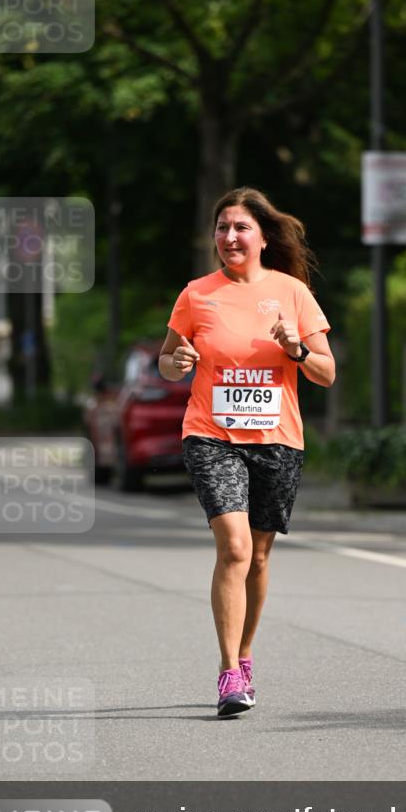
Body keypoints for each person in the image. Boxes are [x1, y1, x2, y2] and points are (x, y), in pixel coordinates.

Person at [159, 187, 335, 717]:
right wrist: (177, 362)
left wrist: (295, 349)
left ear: (262, 238)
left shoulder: (292, 293)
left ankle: (245, 653)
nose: (230, 237)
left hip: (277, 440)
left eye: (240, 228)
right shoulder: (197, 294)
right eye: (222, 228)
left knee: (258, 557)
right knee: (234, 549)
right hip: (211, 435)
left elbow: (326, 373)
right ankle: (228, 673)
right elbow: (167, 360)